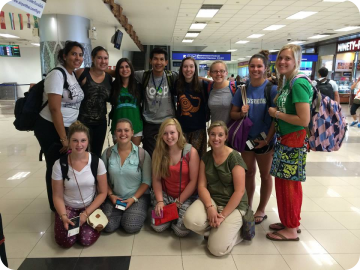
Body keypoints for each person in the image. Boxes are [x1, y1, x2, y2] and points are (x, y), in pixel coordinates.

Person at [266, 44, 313, 241]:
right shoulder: (287, 81)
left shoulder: (299, 83)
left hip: (294, 140)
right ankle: (288, 221)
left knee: (290, 184)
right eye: (280, 58)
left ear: (296, 61)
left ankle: (292, 229)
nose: (283, 62)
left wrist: (276, 113)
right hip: (285, 140)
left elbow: (304, 120)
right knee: (283, 182)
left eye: (288, 58)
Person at [183, 121, 248, 256]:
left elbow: (239, 191)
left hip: (234, 205)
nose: (216, 138)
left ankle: (238, 232)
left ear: (226, 137)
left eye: (220, 135)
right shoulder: (206, 157)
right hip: (213, 200)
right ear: (208, 136)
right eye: (212, 134)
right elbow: (201, 186)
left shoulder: (234, 157)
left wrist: (223, 215)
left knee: (216, 250)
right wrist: (209, 207)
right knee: (189, 220)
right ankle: (218, 230)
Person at [34, 41, 85, 211]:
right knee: (55, 166)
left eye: (80, 55)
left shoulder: (71, 74)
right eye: (73, 54)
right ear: (64, 55)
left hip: (68, 127)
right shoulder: (57, 74)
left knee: (66, 164)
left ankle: (64, 200)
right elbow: (55, 108)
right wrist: (64, 138)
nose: (77, 58)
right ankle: (55, 206)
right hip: (51, 128)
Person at [230, 50, 278, 225]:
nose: (255, 69)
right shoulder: (242, 90)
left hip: (265, 139)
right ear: (248, 68)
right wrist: (240, 113)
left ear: (265, 68)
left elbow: (275, 118)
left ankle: (261, 209)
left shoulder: (272, 90)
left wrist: (267, 139)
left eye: (259, 66)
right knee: (248, 173)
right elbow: (233, 114)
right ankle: (248, 206)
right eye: (252, 66)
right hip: (247, 139)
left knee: (265, 175)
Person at [52, 121, 107, 248]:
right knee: (65, 242)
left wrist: (85, 214)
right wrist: (63, 216)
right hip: (68, 207)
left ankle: (82, 227)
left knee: (85, 240)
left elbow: (103, 192)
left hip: (89, 206)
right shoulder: (59, 165)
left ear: (88, 141)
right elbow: (57, 196)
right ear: (69, 141)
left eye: (83, 140)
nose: (79, 144)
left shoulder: (96, 162)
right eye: (75, 140)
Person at [101, 119, 151, 233]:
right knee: (107, 226)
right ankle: (122, 214)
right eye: (119, 130)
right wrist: (111, 195)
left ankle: (131, 213)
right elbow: (103, 180)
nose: (123, 134)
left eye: (126, 130)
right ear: (115, 133)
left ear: (132, 132)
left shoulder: (142, 154)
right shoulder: (107, 153)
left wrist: (133, 199)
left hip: (137, 197)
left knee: (130, 226)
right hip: (115, 196)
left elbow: (146, 182)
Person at [151, 118, 199, 237]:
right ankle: (168, 213)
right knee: (156, 226)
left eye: (172, 132)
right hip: (166, 194)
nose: (169, 137)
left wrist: (179, 202)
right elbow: (156, 180)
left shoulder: (190, 152)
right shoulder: (158, 152)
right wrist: (160, 201)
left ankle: (175, 217)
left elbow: (193, 182)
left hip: (185, 196)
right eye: (165, 133)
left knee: (181, 232)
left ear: (178, 132)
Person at [134, 47, 178, 156]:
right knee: (151, 156)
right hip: (149, 123)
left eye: (161, 59)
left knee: (169, 155)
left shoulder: (171, 76)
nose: (158, 62)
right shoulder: (144, 75)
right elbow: (123, 72)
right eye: (155, 59)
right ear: (150, 60)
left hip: (168, 122)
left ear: (166, 62)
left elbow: (192, 77)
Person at [76, 46, 112, 157]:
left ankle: (94, 174)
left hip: (100, 123)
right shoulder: (82, 73)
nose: (103, 61)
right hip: (82, 122)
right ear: (92, 58)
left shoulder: (109, 78)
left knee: (96, 154)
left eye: (105, 58)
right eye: (99, 58)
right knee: (81, 154)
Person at [175, 57, 208, 158]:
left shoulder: (203, 85)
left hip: (198, 129)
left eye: (191, 66)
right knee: (183, 159)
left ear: (195, 69)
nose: (188, 69)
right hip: (182, 129)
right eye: (185, 66)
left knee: (198, 158)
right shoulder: (177, 84)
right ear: (181, 69)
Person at [110, 58, 143, 146]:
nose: (124, 69)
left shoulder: (138, 86)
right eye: (121, 67)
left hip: (136, 126)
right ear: (117, 70)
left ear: (131, 69)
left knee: (134, 156)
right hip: (118, 127)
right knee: (119, 155)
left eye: (127, 66)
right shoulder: (113, 86)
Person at [207, 60, 233, 124]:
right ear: (210, 74)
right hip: (215, 131)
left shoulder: (234, 88)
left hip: (232, 131)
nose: (218, 74)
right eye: (215, 71)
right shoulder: (209, 87)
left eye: (221, 71)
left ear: (226, 73)